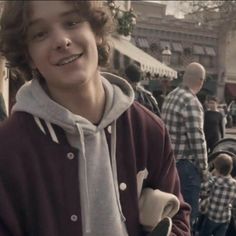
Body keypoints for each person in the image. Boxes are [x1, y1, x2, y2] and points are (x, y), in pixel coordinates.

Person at [0, 1, 191, 236]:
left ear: (97, 32)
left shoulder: (148, 130)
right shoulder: (8, 150)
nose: (62, 40)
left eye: (71, 22)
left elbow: (180, 219)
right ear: (27, 55)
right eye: (39, 34)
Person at [161, 62, 208, 229]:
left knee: (170, 216)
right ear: (201, 81)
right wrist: (204, 169)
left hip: (167, 163)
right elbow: (197, 139)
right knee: (187, 217)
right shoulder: (191, 102)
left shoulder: (171, 96)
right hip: (185, 166)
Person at [199, 153, 236, 236]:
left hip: (212, 216)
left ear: (216, 169)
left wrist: (208, 176)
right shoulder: (234, 184)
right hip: (225, 218)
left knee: (205, 233)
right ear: (231, 168)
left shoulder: (214, 181)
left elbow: (202, 187)